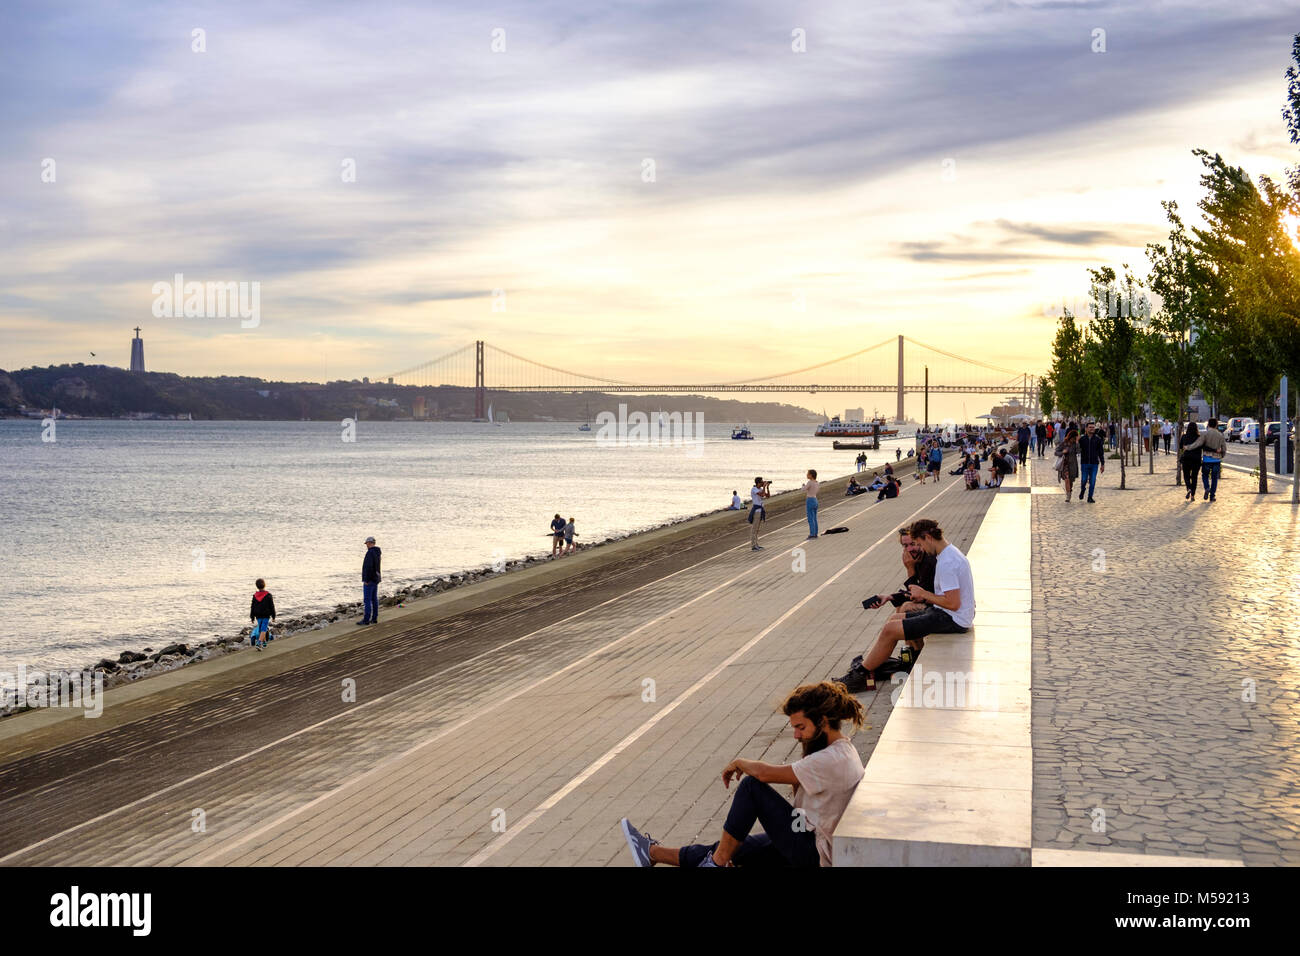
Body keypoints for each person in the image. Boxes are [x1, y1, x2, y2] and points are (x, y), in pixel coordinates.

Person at [619, 681, 865, 867]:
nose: (796, 735)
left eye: (800, 727)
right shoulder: (838, 750)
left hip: (813, 851)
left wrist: (739, 762)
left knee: (751, 788)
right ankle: (652, 853)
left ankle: (714, 864)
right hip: (806, 833)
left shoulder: (831, 759)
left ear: (823, 721)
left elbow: (765, 775)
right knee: (733, 846)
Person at [835, 518, 975, 692]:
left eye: (919, 544)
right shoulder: (948, 553)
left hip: (953, 618)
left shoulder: (946, 562)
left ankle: (861, 675)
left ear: (927, 537)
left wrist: (923, 594)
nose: (920, 549)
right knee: (894, 619)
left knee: (890, 630)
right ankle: (875, 665)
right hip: (949, 614)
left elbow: (953, 603)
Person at [1184, 417, 1226, 502]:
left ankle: (1207, 487)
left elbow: (1197, 444)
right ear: (1216, 425)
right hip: (1217, 459)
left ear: (1208, 424)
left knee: (1205, 475)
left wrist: (1188, 447)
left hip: (1207, 459)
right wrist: (1222, 455)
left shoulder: (1205, 434)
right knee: (1214, 478)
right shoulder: (1220, 435)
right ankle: (1212, 496)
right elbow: (1224, 448)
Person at [1077, 421, 1105, 503]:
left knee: (1092, 481)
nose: (1092, 429)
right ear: (1086, 429)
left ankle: (1090, 497)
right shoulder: (1082, 439)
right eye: (1090, 427)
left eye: (1093, 427)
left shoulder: (1098, 439)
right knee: (1084, 480)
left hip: (1094, 463)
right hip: (1084, 463)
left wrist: (1102, 464)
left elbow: (1101, 452)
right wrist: (1077, 442)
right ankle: (1083, 490)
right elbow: (1078, 450)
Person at [358, 536, 382, 626]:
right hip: (376, 578)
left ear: (370, 543)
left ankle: (366, 619)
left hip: (370, 580)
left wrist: (366, 579)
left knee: (367, 600)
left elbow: (368, 567)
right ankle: (374, 618)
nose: (366, 545)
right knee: (374, 599)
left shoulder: (370, 553)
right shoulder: (377, 552)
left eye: (367, 543)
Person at [249, 578, 276, 650]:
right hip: (266, 615)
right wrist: (273, 616)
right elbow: (272, 606)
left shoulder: (255, 596)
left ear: (257, 586)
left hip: (258, 615)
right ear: (264, 585)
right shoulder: (268, 595)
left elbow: (252, 607)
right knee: (264, 629)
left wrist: (252, 617)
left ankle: (264, 643)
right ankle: (259, 643)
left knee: (261, 629)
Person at [1179, 422, 1202, 501]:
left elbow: (1180, 447)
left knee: (1186, 475)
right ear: (1196, 428)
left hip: (1186, 458)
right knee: (1194, 477)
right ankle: (1192, 495)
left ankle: (1188, 488)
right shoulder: (1199, 437)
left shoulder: (1184, 436)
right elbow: (1202, 447)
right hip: (1196, 459)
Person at [1055, 427, 1080, 500]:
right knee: (1067, 479)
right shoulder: (1064, 443)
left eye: (1075, 438)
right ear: (1070, 437)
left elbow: (1078, 452)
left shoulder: (1075, 444)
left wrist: (1077, 442)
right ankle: (1068, 496)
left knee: (1071, 480)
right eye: (1074, 438)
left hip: (1073, 465)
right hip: (1065, 465)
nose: (1074, 440)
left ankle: (1069, 490)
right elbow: (1056, 452)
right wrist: (1062, 452)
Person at [748, 477, 769, 551]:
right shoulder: (754, 489)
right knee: (754, 529)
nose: (763, 483)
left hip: (760, 511)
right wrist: (764, 487)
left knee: (757, 529)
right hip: (756, 511)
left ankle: (756, 544)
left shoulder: (760, 489)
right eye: (761, 482)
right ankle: (753, 546)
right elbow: (761, 494)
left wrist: (767, 488)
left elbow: (767, 496)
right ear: (758, 483)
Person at [803, 469, 820, 538]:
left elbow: (803, 489)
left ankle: (812, 534)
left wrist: (803, 486)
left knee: (810, 518)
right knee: (815, 518)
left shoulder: (810, 482)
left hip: (810, 499)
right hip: (815, 499)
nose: (807, 475)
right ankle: (815, 533)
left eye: (808, 474)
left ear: (811, 475)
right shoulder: (817, 483)